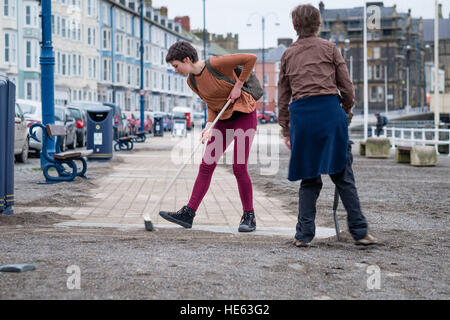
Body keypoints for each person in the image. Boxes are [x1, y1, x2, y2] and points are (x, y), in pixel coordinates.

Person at [278, 4, 377, 247]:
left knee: (309, 179)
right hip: (329, 113)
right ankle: (360, 232)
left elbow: (283, 96)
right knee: (343, 176)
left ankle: (303, 235)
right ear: (319, 25)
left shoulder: (288, 54)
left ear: (294, 26)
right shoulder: (330, 48)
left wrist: (286, 129)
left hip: (303, 118)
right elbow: (347, 87)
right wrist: (344, 112)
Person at [160, 41, 258, 232]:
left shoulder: (216, 64)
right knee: (206, 165)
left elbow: (250, 59)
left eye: (176, 66)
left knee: (238, 166)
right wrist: (209, 125)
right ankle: (188, 213)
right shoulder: (192, 81)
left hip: (244, 113)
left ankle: (249, 216)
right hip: (223, 118)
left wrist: (238, 85)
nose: (175, 70)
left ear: (187, 59)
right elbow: (211, 102)